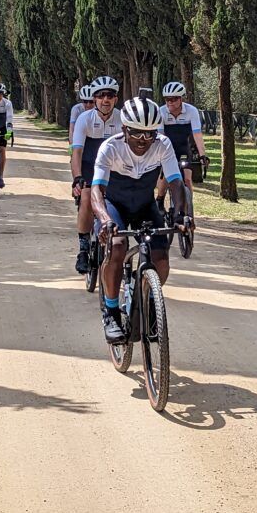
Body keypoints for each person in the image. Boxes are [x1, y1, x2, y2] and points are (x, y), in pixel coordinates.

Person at [90, 97, 192, 343]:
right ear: (124, 129)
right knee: (116, 248)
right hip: (115, 207)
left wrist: (180, 214)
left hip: (144, 206)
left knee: (161, 259)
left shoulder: (163, 144)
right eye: (137, 133)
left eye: (149, 134)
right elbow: (96, 191)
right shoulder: (110, 148)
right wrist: (104, 220)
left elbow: (176, 183)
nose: (143, 141)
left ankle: (147, 297)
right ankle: (111, 312)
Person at [71, 76, 122, 273]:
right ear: (95, 99)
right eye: (101, 96)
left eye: (110, 95)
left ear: (116, 98)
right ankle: (83, 249)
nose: (105, 100)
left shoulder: (122, 118)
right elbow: (77, 152)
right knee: (86, 199)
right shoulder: (85, 119)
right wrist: (77, 177)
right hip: (89, 167)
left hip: (113, 169)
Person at [156, 81, 208, 201]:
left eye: (173, 99)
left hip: (184, 148)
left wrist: (202, 155)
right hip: (166, 149)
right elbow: (160, 136)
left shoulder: (192, 111)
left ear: (181, 99)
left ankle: (190, 211)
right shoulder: (161, 112)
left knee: (187, 179)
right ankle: (160, 199)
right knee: (164, 177)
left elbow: (197, 134)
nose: (170, 102)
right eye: (167, 99)